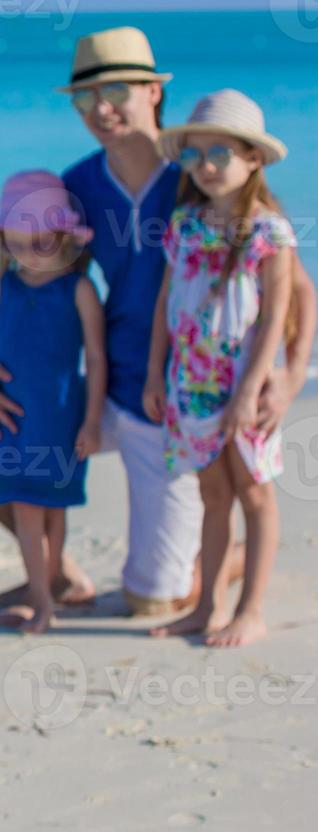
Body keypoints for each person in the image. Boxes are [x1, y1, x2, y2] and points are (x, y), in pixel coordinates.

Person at [0, 26, 316, 618]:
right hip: (102, 393)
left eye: (116, 91)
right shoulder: (77, 186)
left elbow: (295, 288)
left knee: (154, 601)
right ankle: (54, 576)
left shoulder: (202, 169)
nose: (100, 110)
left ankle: (222, 560)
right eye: (84, 98)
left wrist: (288, 377)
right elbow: (31, 273)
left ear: (153, 91)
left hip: (182, 400)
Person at [144, 90, 295, 646]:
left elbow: (276, 318)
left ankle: (250, 609)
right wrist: (154, 373)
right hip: (190, 384)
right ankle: (206, 605)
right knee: (212, 494)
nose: (204, 166)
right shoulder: (184, 224)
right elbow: (166, 305)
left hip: (242, 387)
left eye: (220, 154)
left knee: (254, 492)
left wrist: (249, 391)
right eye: (194, 154)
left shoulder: (268, 232)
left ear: (253, 158)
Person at [0, 171, 106, 634]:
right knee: (25, 507)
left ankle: (50, 589)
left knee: (54, 505)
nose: (25, 252)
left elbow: (97, 358)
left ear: (62, 235)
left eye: (37, 241)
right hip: (10, 416)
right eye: (15, 242)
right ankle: (40, 599)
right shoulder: (6, 287)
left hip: (59, 416)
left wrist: (93, 421)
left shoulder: (79, 289)